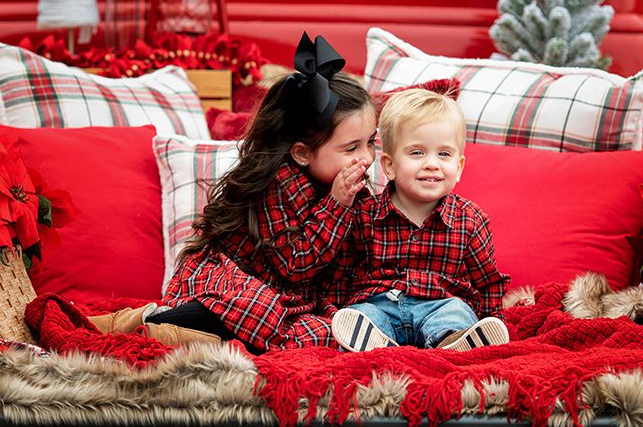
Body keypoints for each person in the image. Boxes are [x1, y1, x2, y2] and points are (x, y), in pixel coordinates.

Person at [139, 32, 377, 352]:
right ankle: (162, 323)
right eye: (352, 148)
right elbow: (296, 264)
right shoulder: (280, 184)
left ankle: (197, 337)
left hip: (294, 302)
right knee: (259, 307)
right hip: (233, 282)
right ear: (302, 153)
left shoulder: (350, 186)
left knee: (329, 331)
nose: (366, 158)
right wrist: (337, 204)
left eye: (371, 142)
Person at [331, 88, 511, 353]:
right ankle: (372, 343)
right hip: (382, 302)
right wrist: (337, 309)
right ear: (390, 166)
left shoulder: (469, 220)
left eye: (444, 154)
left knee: (456, 313)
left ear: (459, 167)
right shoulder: (365, 215)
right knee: (364, 313)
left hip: (440, 302)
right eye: (417, 153)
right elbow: (343, 273)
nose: (432, 164)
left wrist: (493, 318)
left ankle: (453, 342)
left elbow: (487, 282)